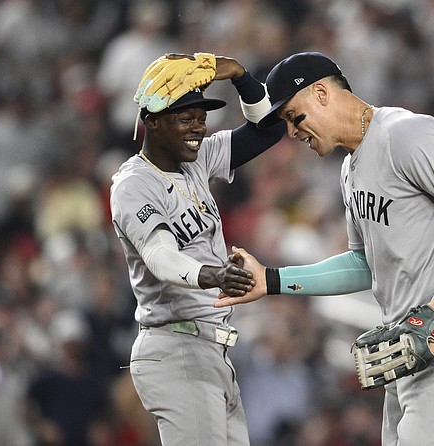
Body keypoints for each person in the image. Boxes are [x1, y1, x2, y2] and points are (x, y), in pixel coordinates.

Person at [215, 52, 434, 446]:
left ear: (321, 93)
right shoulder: (350, 168)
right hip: (418, 343)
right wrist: (272, 280)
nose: (291, 133)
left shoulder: (404, 134)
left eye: (293, 116)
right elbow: (364, 264)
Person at [109, 52, 285, 446]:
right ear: (152, 121)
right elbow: (159, 256)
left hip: (213, 351)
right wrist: (213, 275)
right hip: (175, 348)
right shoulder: (133, 183)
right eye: (185, 118)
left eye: (201, 117)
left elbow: (268, 130)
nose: (198, 127)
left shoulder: (198, 159)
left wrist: (241, 75)